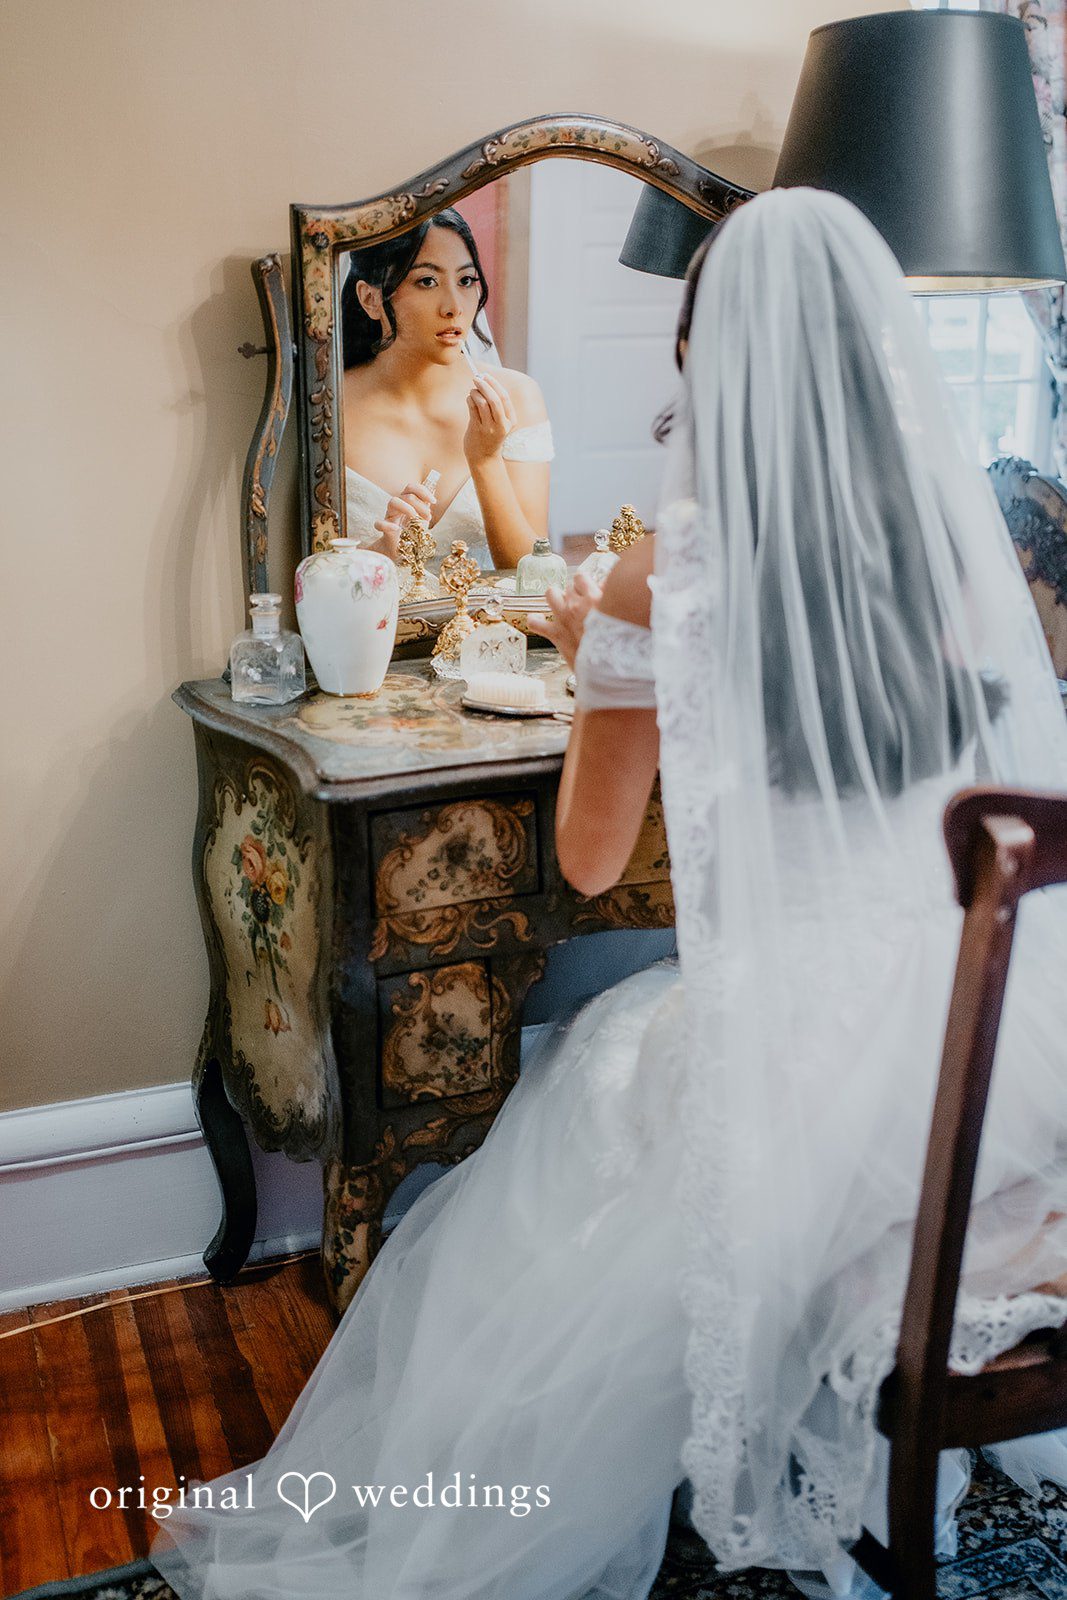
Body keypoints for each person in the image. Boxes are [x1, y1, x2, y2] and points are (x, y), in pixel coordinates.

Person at [152, 188, 1067, 1600]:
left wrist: (597, 656)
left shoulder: (666, 572)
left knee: (587, 1080)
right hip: (981, 1054)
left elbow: (586, 868)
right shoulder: (956, 564)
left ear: (709, 360)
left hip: (806, 1066)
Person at [341, 208, 553, 572]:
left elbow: (532, 575)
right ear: (371, 299)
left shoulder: (519, 399)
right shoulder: (328, 405)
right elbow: (310, 578)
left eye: (467, 280)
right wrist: (382, 554)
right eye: (427, 281)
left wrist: (485, 461)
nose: (454, 307)